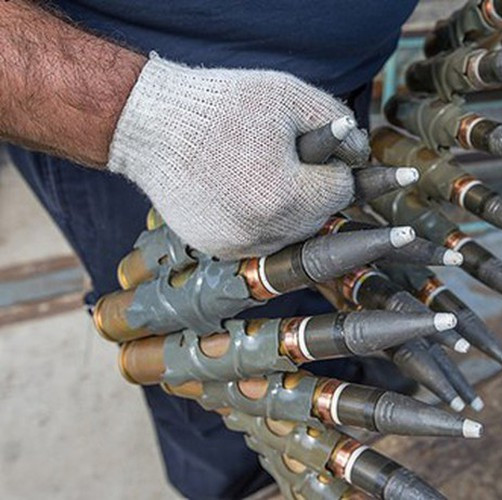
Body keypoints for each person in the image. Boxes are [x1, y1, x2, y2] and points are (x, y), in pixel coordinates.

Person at [0, 1, 418, 497]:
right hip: (153, 121)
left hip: (331, 89)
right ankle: (247, 478)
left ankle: (328, 389)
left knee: (305, 294)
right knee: (204, 365)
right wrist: (141, 115)